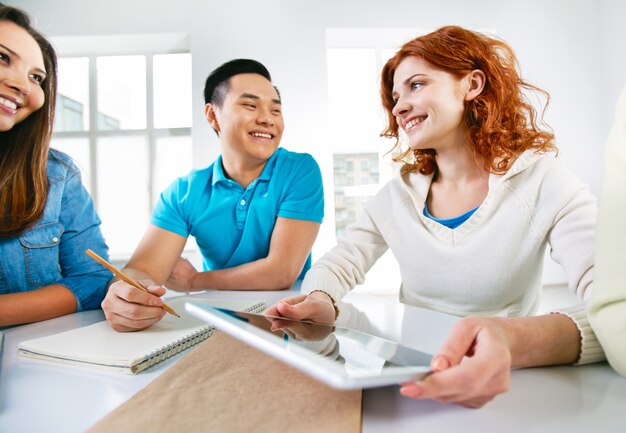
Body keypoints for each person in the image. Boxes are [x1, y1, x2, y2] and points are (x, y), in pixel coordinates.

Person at [267, 26, 604, 408]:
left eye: (416, 85)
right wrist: (319, 300)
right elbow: (342, 262)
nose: (398, 107)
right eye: (395, 97)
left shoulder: (546, 183)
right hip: (409, 381)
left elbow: (612, 304)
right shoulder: (396, 197)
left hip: (506, 391)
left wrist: (512, 340)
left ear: (473, 84)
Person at [102, 59, 324, 332]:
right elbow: (143, 270)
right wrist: (123, 293)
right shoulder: (183, 193)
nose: (267, 118)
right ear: (212, 115)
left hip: (287, 320)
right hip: (220, 323)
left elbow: (281, 272)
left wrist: (196, 282)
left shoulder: (300, 170)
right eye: (250, 105)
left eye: (275, 109)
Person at [0, 3, 111, 326]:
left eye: (37, 77)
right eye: (2, 58)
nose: (24, 85)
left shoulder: (57, 174)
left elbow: (92, 279)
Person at [588, 84, 626, 377]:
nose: (410, 103)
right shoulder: (412, 192)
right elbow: (612, 306)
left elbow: (599, 299)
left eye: (418, 84)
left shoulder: (543, 182)